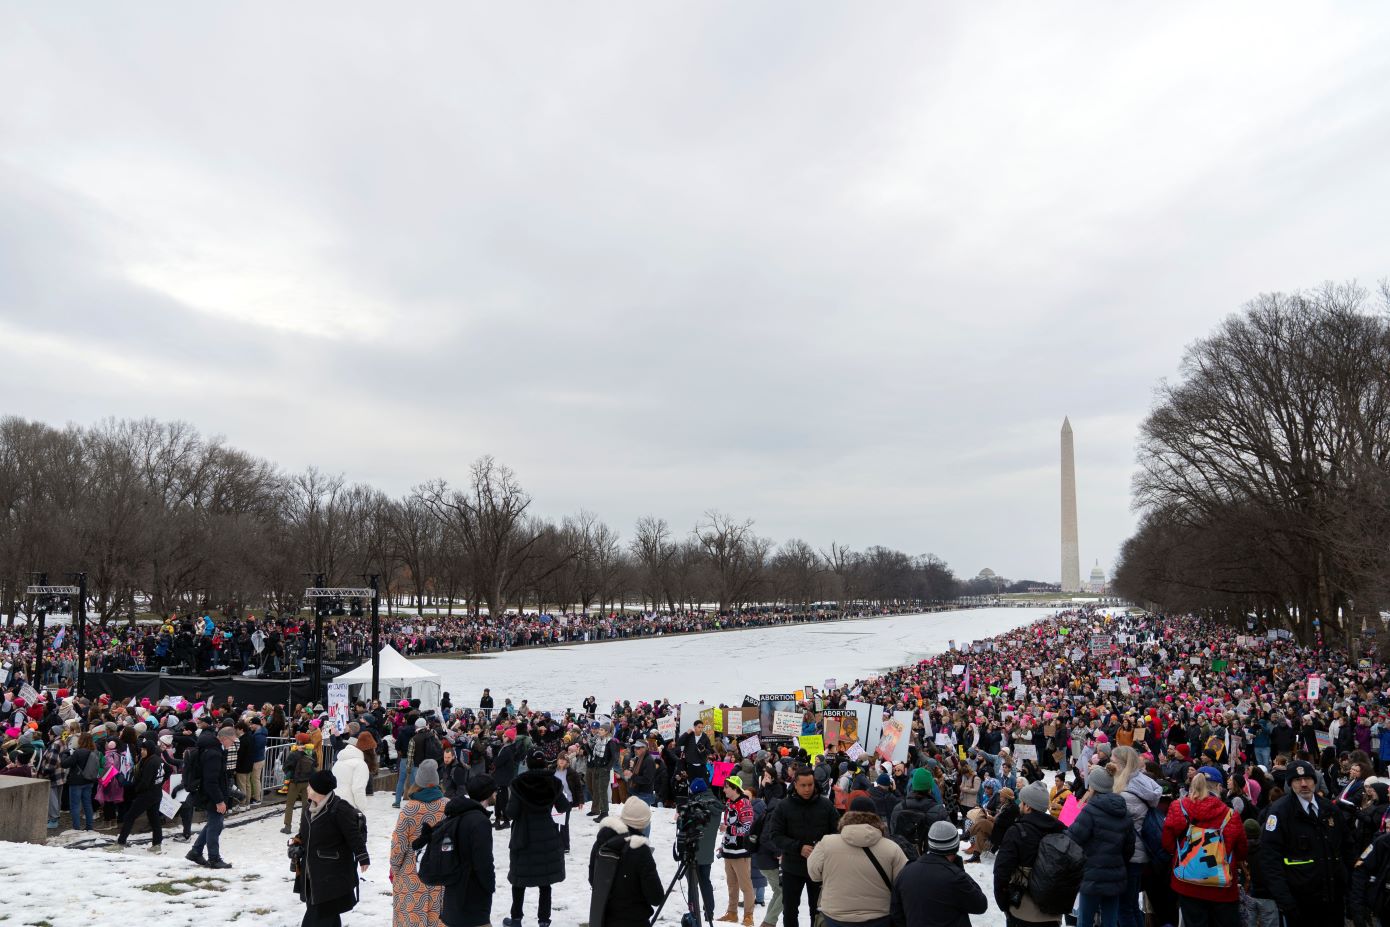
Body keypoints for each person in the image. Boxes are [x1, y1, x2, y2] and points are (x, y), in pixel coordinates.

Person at [1260, 759, 1348, 927]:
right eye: (1297, 780)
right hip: (1300, 901)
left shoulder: (1329, 808)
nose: (1303, 784)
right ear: (1290, 784)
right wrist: (1285, 900)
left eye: (1307, 779)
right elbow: (1270, 859)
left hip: (1332, 897)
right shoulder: (1280, 812)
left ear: (1314, 781)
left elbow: (1346, 846)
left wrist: (1346, 881)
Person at [1159, 770, 1247, 927]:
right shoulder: (1230, 814)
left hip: (1187, 880)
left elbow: (1167, 842)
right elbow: (1241, 850)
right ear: (1219, 787)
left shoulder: (1178, 807)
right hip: (1221, 885)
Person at [808, 795, 908, 927]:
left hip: (835, 917)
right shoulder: (892, 848)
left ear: (848, 815)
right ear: (875, 816)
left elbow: (814, 875)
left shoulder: (827, 843)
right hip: (879, 918)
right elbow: (904, 885)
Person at [291, 769, 371, 927]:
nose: (307, 788)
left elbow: (353, 834)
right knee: (327, 915)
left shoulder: (340, 809)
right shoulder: (309, 808)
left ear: (318, 790)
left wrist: (362, 856)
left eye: (310, 786)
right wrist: (296, 844)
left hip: (330, 875)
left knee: (318, 916)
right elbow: (304, 833)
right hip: (311, 873)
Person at [768, 766, 841, 927]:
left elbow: (837, 832)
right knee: (790, 910)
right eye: (803, 785)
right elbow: (774, 836)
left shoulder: (826, 805)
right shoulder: (784, 806)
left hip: (819, 869)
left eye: (810, 785)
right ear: (795, 784)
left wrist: (823, 848)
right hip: (792, 867)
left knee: (818, 911)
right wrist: (798, 847)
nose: (807, 789)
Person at [504, 750, 570, 927]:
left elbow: (511, 813)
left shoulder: (518, 784)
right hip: (546, 835)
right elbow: (563, 806)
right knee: (545, 882)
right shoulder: (554, 783)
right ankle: (544, 921)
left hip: (523, 836)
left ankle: (516, 918)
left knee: (519, 880)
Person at [1066, 766, 1134, 927]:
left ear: (1093, 787)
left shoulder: (1090, 810)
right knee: (1110, 921)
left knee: (1085, 921)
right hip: (1115, 875)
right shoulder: (1124, 811)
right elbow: (1129, 848)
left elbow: (1073, 838)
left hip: (1092, 875)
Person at [992, 781, 1066, 927]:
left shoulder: (1016, 832)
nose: (1020, 805)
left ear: (1028, 807)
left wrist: (1004, 905)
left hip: (1022, 911)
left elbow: (1001, 872)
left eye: (1022, 802)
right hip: (1053, 912)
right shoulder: (1060, 830)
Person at [889, 819, 989, 927]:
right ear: (956, 846)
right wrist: (960, 872)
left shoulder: (905, 872)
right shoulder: (955, 877)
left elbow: (896, 913)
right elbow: (980, 904)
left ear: (930, 843)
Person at [589, 796, 665, 927]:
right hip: (634, 920)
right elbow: (656, 897)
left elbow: (593, 879)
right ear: (643, 823)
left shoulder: (602, 841)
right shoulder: (640, 850)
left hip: (604, 918)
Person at [390, 759, 448, 927]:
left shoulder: (410, 809)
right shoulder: (448, 806)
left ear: (418, 782)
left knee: (412, 918)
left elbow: (398, 845)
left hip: (412, 874)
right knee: (439, 917)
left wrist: (395, 868)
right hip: (441, 873)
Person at [440, 773, 499, 927]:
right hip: (472, 897)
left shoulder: (457, 813)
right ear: (487, 794)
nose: (495, 794)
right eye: (494, 791)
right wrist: (489, 886)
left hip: (453, 893)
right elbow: (483, 862)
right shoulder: (479, 821)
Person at [187, 725, 238, 870]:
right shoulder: (214, 754)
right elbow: (211, 780)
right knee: (215, 827)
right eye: (232, 741)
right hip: (212, 795)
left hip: (211, 793)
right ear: (224, 738)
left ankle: (196, 851)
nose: (232, 744)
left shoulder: (215, 750)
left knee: (213, 824)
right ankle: (214, 859)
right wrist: (219, 801)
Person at [111, 738, 165, 853]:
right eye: (141, 749)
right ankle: (157, 844)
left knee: (130, 817)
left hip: (147, 795)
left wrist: (135, 789)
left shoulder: (151, 762)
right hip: (156, 793)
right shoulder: (156, 759)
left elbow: (145, 782)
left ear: (150, 750)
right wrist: (158, 783)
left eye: (144, 749)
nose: (142, 751)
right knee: (154, 819)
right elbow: (167, 770)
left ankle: (120, 843)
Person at [718, 775, 758, 925]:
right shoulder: (729, 803)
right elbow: (727, 826)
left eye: (726, 787)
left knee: (745, 886)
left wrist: (729, 828)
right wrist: (723, 844)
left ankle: (749, 916)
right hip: (728, 850)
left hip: (741, 852)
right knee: (731, 885)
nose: (724, 790)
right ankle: (732, 913)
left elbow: (747, 828)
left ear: (735, 788)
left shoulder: (745, 803)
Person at [61, 731, 98, 831]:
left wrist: (65, 753)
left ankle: (76, 828)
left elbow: (65, 764)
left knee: (75, 805)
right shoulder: (95, 751)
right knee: (87, 804)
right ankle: (89, 826)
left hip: (76, 782)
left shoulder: (78, 752)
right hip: (89, 780)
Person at [282, 735, 318, 834]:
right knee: (306, 805)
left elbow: (286, 767)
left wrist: (289, 775)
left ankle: (287, 826)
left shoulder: (294, 753)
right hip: (307, 782)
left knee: (290, 804)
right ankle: (303, 827)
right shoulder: (312, 752)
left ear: (299, 741)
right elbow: (315, 765)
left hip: (295, 782)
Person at [586, 723, 619, 821]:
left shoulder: (611, 742)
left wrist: (607, 768)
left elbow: (615, 757)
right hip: (597, 767)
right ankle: (600, 811)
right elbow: (593, 754)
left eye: (601, 729)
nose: (599, 731)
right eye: (599, 729)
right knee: (597, 790)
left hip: (604, 769)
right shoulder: (598, 740)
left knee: (602, 791)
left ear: (606, 731)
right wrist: (586, 745)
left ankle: (604, 813)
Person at [332, 736, 371, 815]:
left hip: (334, 802)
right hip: (349, 806)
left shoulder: (339, 762)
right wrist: (362, 808)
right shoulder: (360, 764)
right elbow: (358, 789)